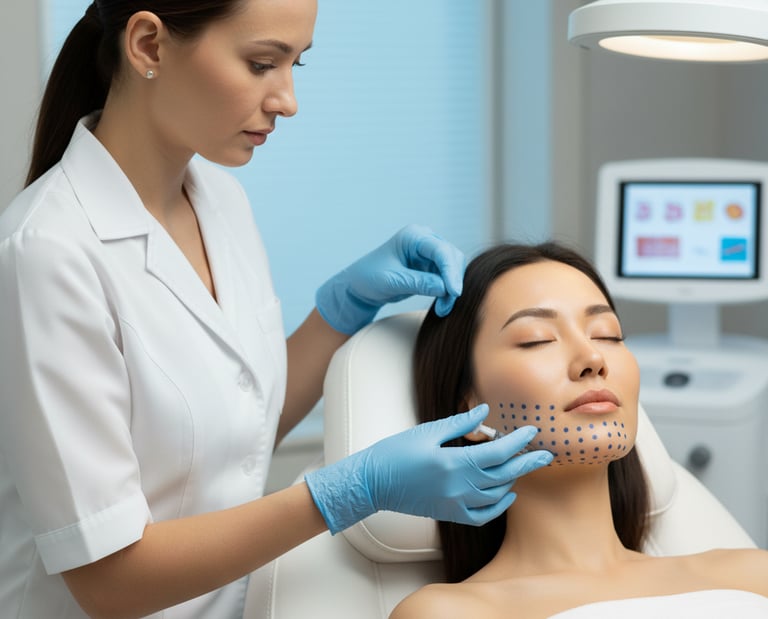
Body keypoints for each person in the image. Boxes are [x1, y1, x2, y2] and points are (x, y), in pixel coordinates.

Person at [0, 2, 554, 618]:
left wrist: (343, 310)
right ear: (150, 45)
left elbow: (239, 426)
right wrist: (348, 493)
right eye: (262, 63)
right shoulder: (47, 253)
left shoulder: (220, 200)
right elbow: (109, 581)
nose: (287, 100)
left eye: (296, 64)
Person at [391, 242, 768, 619]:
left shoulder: (751, 576)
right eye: (536, 339)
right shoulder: (448, 613)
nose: (592, 358)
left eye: (607, 335)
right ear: (468, 409)